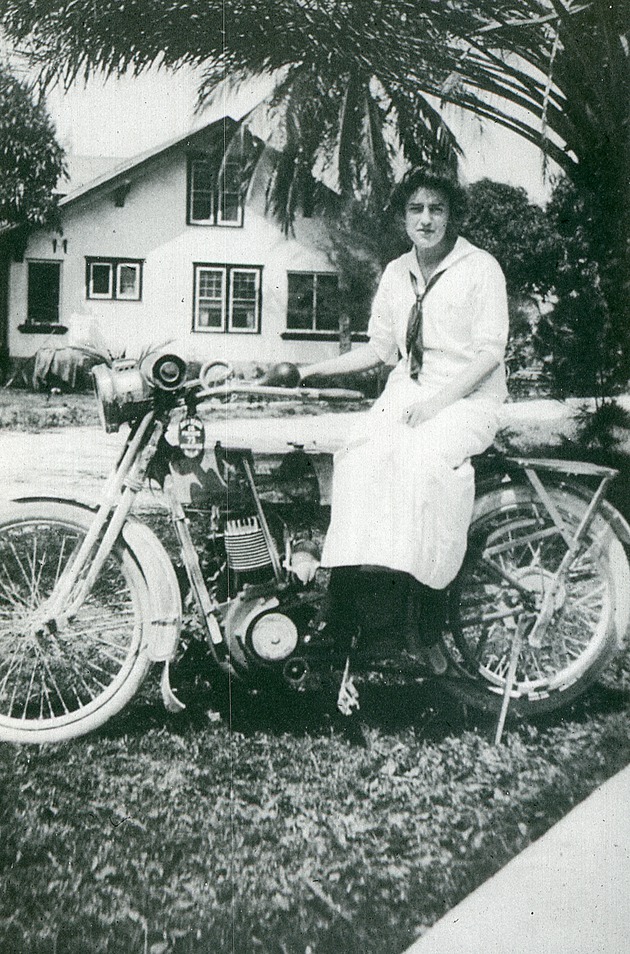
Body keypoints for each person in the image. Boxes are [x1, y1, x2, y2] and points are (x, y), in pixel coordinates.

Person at [300, 165, 509, 679]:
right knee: (357, 460)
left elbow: (489, 353)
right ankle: (349, 608)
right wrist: (308, 370)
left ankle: (425, 616)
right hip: (408, 393)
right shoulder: (397, 273)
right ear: (402, 217)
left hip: (467, 398)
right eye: (416, 209)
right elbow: (379, 349)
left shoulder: (480, 268)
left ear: (453, 214)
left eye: (437, 208)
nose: (426, 218)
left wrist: (438, 404)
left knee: (424, 466)